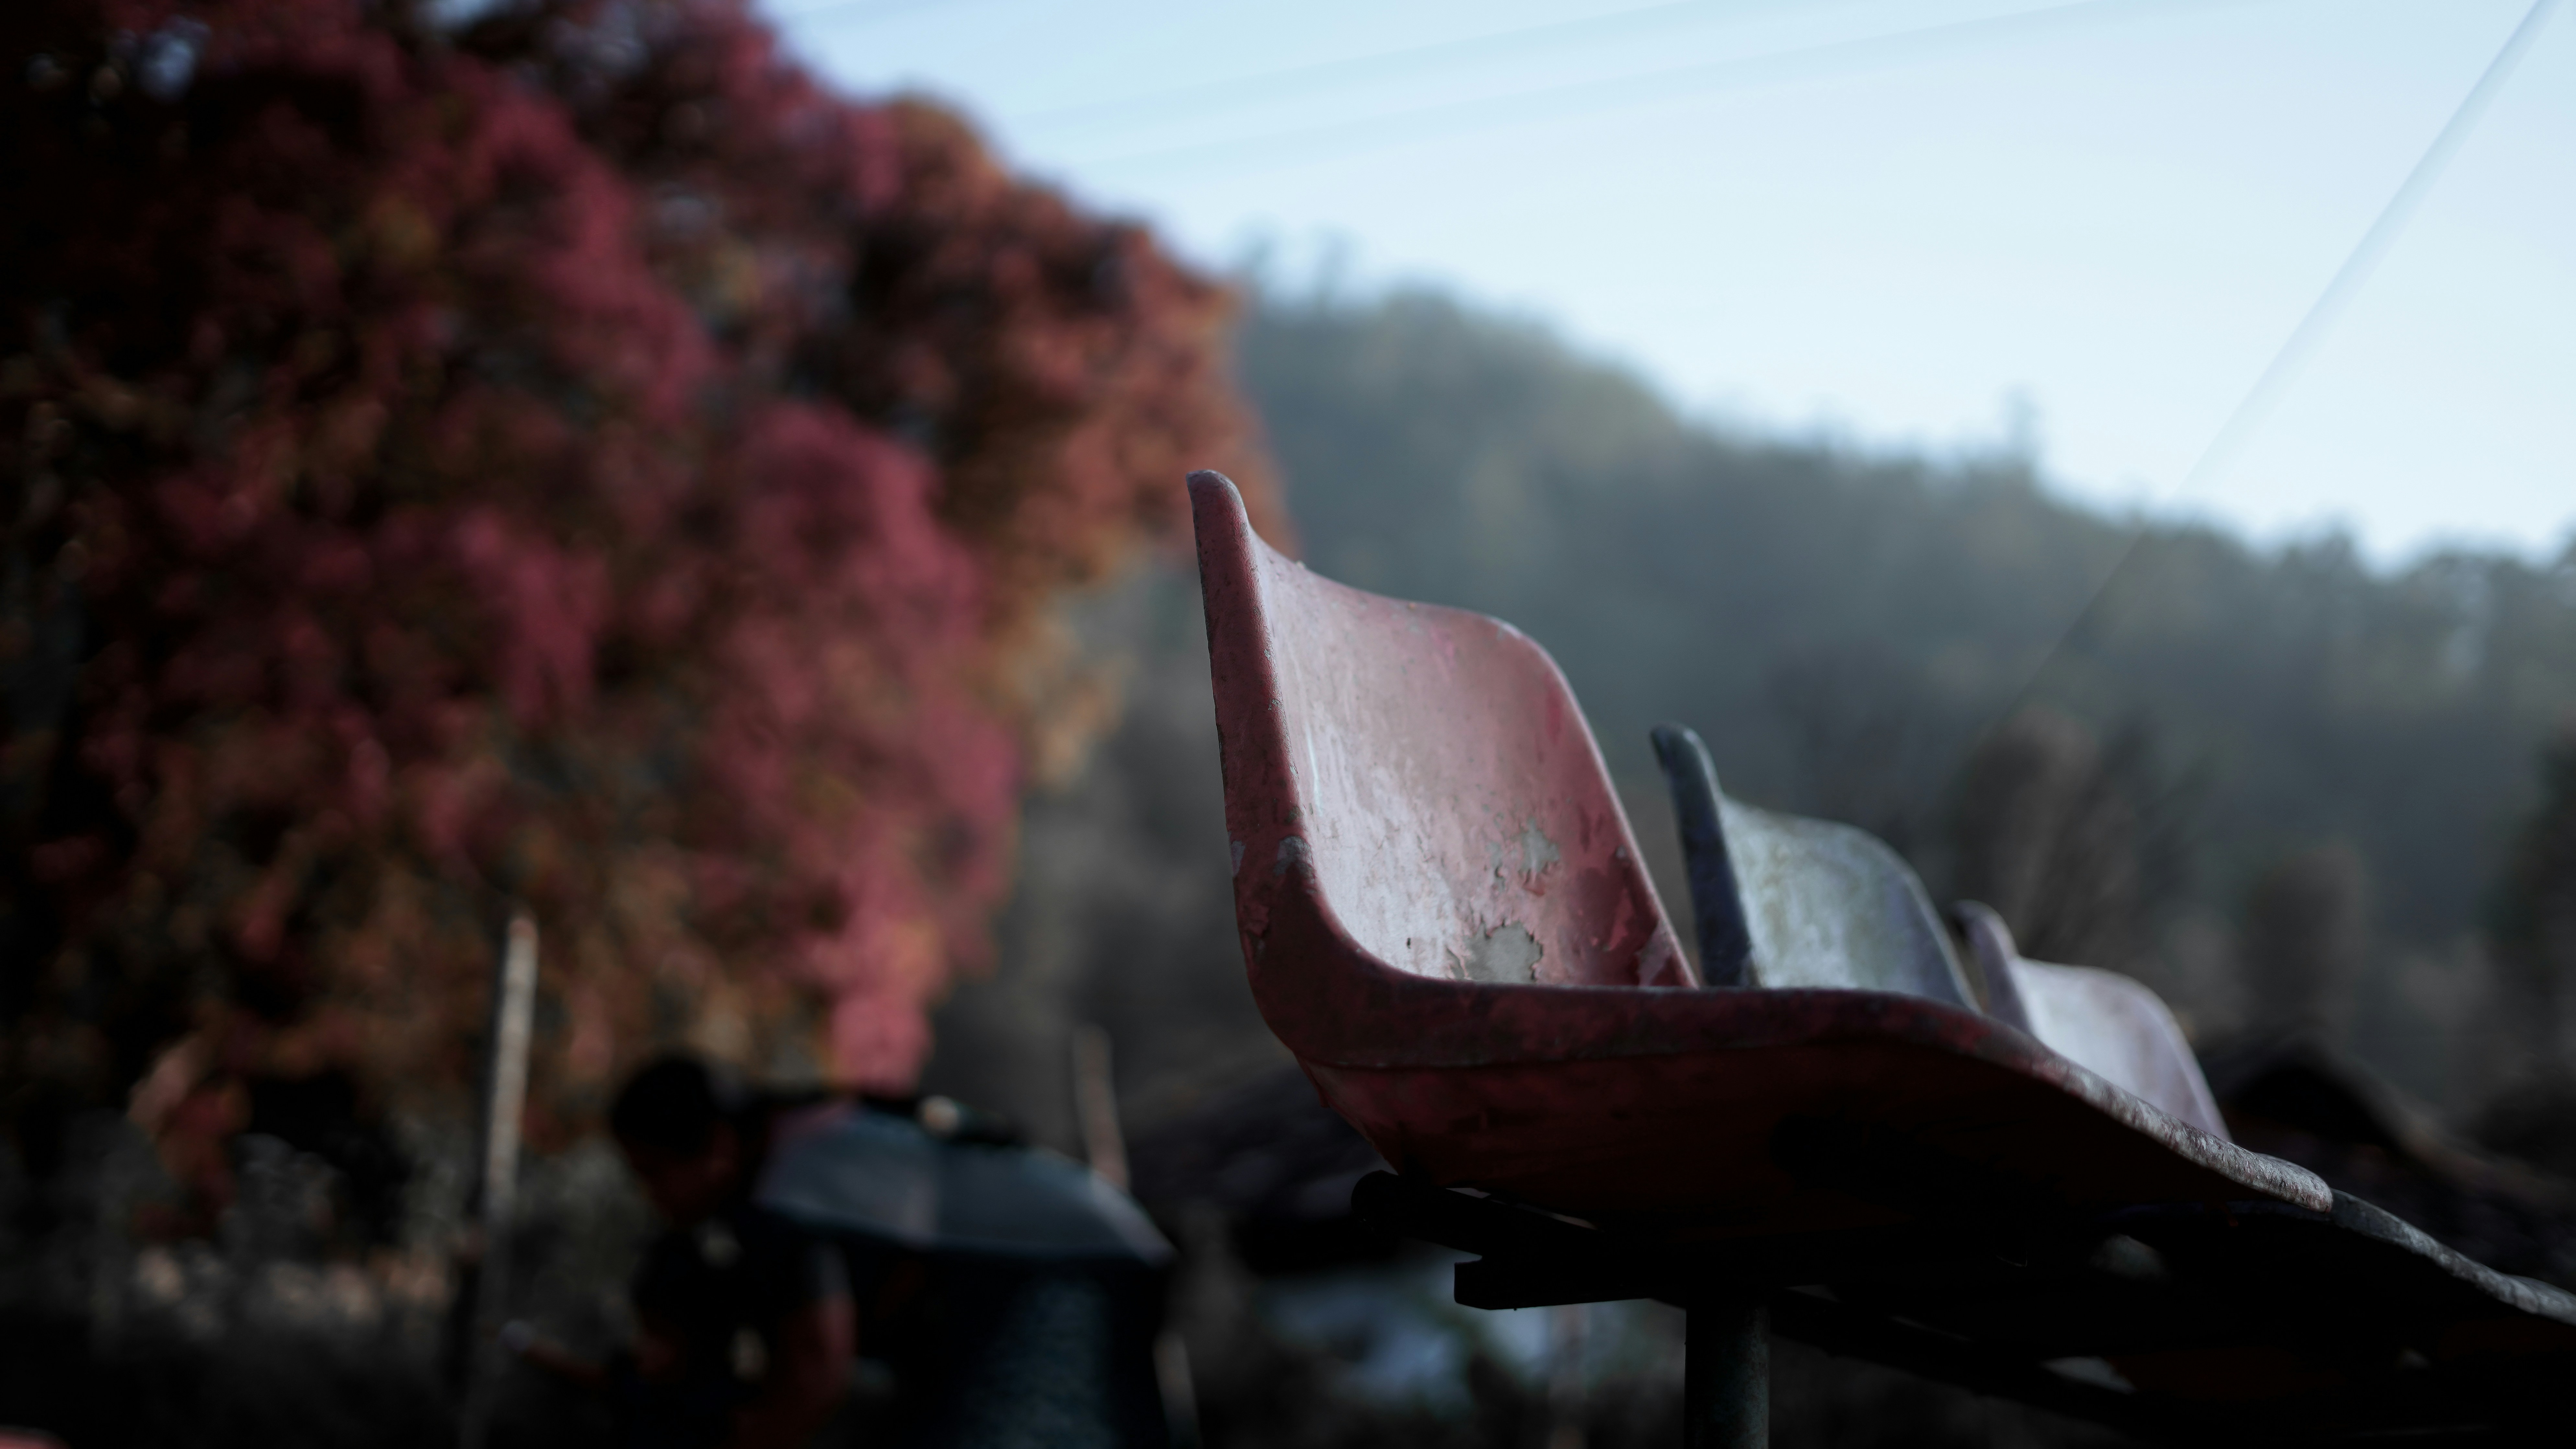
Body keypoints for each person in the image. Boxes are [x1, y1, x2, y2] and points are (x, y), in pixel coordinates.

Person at [598, 1055, 857, 1449]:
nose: (650, 1195)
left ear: (717, 1145)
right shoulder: (790, 1138)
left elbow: (817, 1368)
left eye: (654, 1172)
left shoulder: (786, 1194)